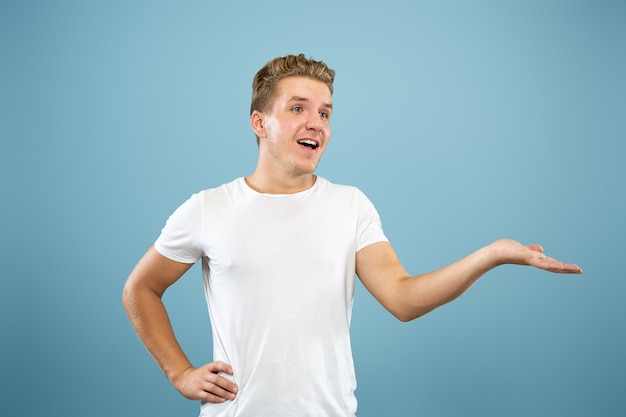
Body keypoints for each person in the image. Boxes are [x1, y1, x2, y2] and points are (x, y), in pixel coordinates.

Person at [122, 54, 582, 417]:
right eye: (297, 108)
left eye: (325, 112)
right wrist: (180, 373)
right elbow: (141, 289)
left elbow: (403, 299)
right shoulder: (209, 208)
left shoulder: (351, 205)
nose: (316, 122)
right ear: (260, 122)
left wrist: (492, 254)